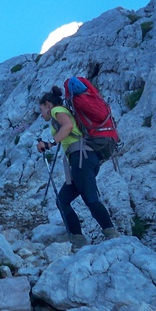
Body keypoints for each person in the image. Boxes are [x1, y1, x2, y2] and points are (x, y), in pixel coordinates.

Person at [37, 86, 120, 242]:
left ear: (48, 104)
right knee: (62, 200)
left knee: (90, 198)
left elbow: (67, 126)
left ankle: (112, 234)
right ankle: (78, 239)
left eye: (41, 109)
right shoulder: (61, 112)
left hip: (82, 158)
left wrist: (50, 144)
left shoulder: (56, 111)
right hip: (84, 159)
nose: (41, 114)